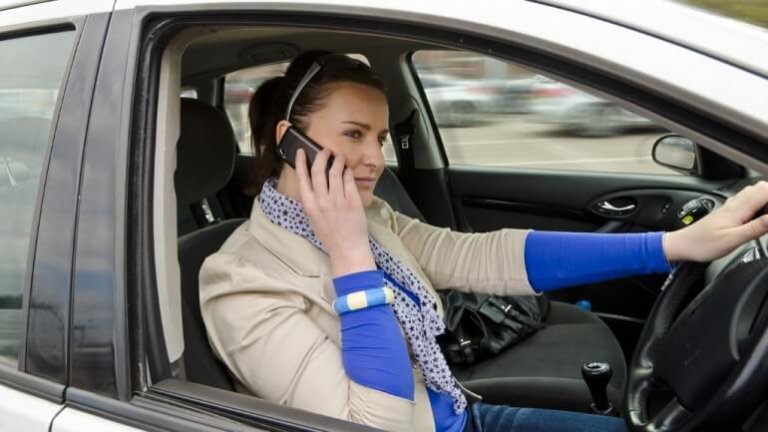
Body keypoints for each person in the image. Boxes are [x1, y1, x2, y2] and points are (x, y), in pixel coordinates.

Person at [199, 51, 768, 432]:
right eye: (352, 135)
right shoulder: (241, 280)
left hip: (461, 412)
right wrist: (350, 259)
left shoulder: (370, 216)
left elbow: (484, 256)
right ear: (290, 140)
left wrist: (673, 246)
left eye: (377, 136)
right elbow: (375, 426)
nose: (375, 159)